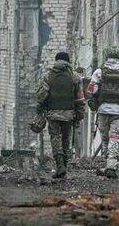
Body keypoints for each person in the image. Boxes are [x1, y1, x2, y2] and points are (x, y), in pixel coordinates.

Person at [86, 47, 119, 179]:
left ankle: (106, 163)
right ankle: (111, 166)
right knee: (114, 137)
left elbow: (91, 90)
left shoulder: (98, 73)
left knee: (105, 138)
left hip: (103, 111)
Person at [36, 51, 85, 179]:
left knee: (55, 139)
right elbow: (80, 99)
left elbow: (42, 97)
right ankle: (64, 166)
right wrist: (79, 116)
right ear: (68, 62)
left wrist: (39, 110)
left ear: (56, 61)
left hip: (53, 114)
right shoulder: (75, 77)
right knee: (66, 140)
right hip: (69, 114)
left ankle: (59, 166)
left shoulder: (48, 76)